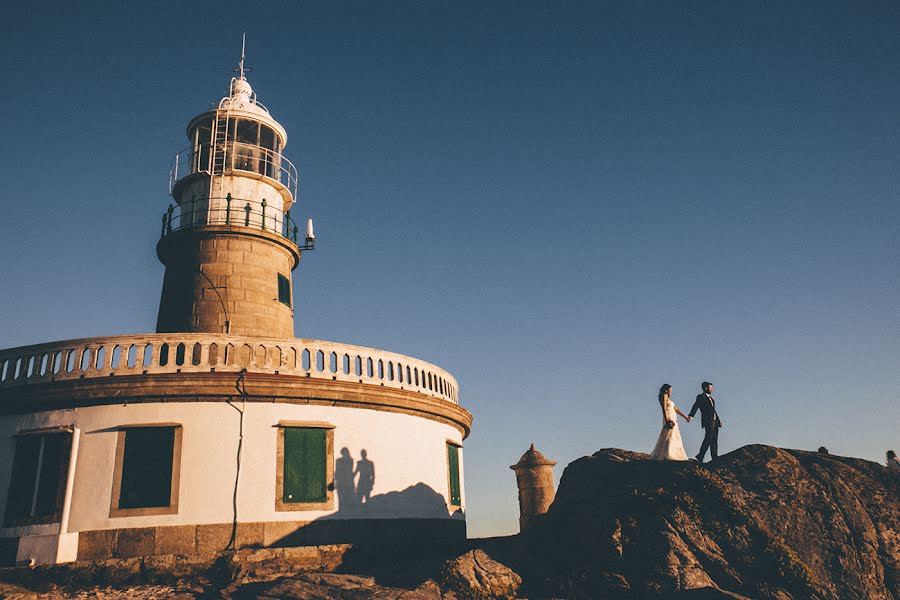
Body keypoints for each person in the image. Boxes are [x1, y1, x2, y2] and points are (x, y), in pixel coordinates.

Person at [650, 384, 692, 461]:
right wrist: (667, 420)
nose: (671, 392)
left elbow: (675, 409)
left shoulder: (669, 399)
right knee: (668, 435)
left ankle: (672, 453)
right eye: (670, 390)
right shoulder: (664, 396)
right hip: (669, 417)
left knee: (673, 435)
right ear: (666, 390)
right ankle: (667, 454)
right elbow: (664, 409)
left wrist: (685, 417)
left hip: (673, 417)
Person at [689, 381, 723, 464]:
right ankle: (701, 455)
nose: (712, 389)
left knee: (714, 439)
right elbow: (696, 405)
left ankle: (714, 456)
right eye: (710, 388)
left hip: (714, 421)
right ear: (705, 388)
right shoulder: (701, 397)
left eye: (712, 388)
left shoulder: (712, 399)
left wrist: (718, 420)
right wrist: (691, 415)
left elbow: (713, 410)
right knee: (708, 438)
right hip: (708, 421)